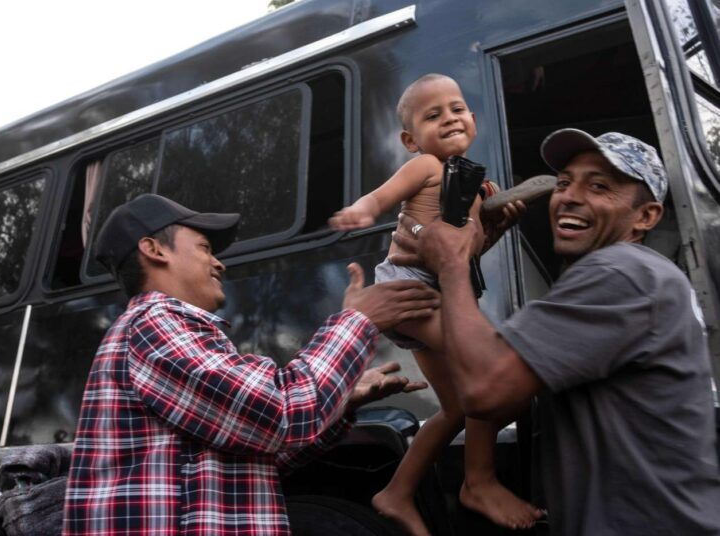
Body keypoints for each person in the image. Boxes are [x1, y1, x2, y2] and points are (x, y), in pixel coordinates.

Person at [393, 129, 720, 535]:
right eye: (564, 182)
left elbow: (483, 388)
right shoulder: (640, 276)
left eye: (600, 186)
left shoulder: (622, 272)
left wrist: (454, 263)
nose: (569, 195)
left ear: (646, 217)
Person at [61, 193, 441, 536]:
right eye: (206, 247)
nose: (218, 264)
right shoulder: (155, 323)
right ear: (154, 250)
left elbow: (260, 453)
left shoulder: (162, 329)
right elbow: (283, 412)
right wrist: (358, 320)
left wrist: (344, 401)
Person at [329, 73, 542, 534]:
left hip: (437, 293)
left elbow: (459, 252)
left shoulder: (479, 187)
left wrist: (495, 229)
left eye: (457, 108)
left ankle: (396, 492)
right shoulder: (427, 167)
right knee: (485, 372)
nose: (449, 118)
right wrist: (365, 210)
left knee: (455, 409)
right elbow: (383, 196)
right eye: (433, 115)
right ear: (411, 139)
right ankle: (479, 481)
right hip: (410, 290)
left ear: (472, 119)